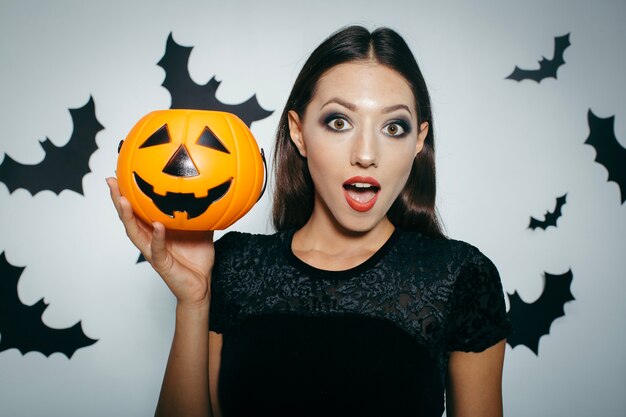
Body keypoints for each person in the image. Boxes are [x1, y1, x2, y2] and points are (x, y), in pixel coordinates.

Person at [107, 25, 511, 417]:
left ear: (418, 141)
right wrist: (193, 301)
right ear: (299, 132)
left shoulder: (462, 277)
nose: (366, 154)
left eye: (393, 127)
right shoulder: (233, 264)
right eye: (339, 122)